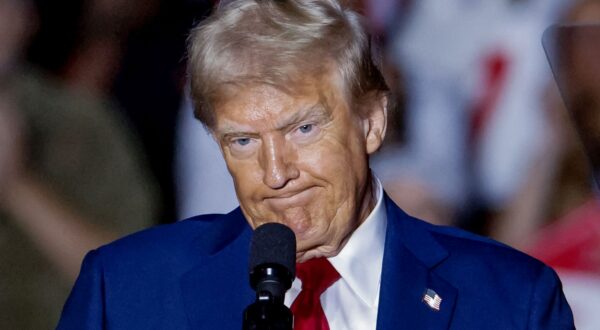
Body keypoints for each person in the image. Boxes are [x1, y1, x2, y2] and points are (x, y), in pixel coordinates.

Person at [57, 0, 574, 328]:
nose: (275, 173)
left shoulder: (512, 301)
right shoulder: (125, 291)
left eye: (302, 129)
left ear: (371, 122)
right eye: (242, 141)